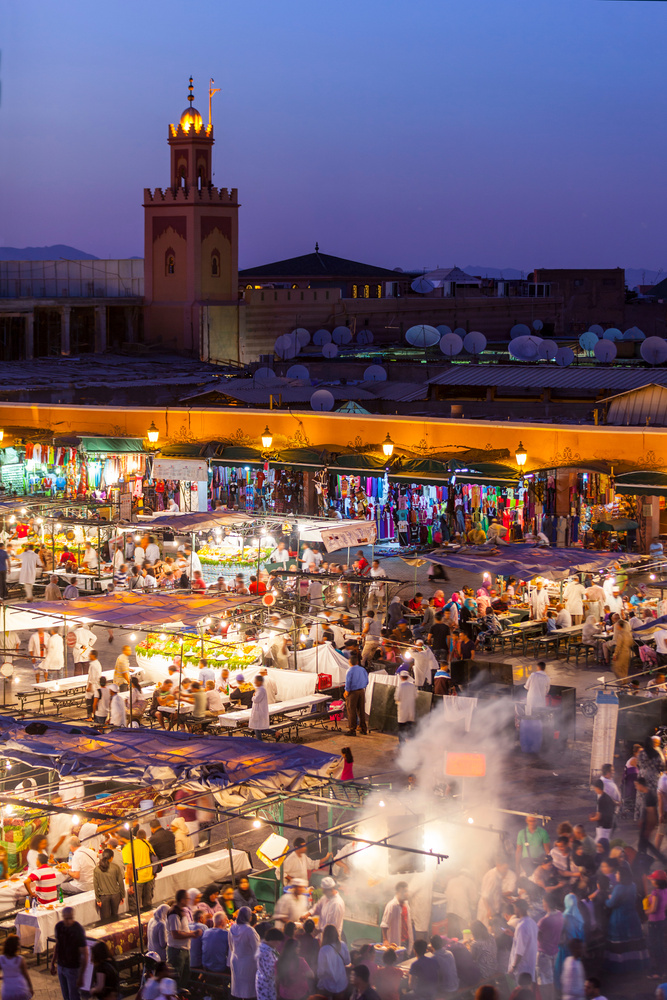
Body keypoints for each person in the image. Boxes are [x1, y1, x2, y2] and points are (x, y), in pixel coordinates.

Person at [605, 863, 648, 973]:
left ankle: (621, 967)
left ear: (622, 875)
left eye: (617, 874)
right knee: (633, 942)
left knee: (621, 943)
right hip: (632, 917)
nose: (616, 875)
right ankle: (635, 965)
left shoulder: (619, 888)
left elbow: (611, 904)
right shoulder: (633, 885)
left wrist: (607, 899)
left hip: (619, 918)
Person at [167, 889, 201, 987]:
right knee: (176, 980)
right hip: (177, 951)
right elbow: (175, 934)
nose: (189, 900)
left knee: (184, 978)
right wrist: (191, 935)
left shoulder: (181, 911)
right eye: (187, 898)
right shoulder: (174, 913)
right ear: (182, 900)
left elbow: (184, 930)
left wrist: (193, 932)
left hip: (184, 950)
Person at [51, 907, 87, 1000]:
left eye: (70, 918)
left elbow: (85, 953)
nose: (68, 921)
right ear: (63, 917)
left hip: (73, 968)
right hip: (61, 966)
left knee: (74, 996)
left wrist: (82, 975)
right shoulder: (59, 927)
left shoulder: (78, 930)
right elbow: (57, 945)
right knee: (65, 995)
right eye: (66, 918)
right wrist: (53, 962)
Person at [537, 892, 564, 1000]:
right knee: (551, 979)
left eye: (543, 902)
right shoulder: (559, 914)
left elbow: (537, 936)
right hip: (554, 951)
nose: (542, 904)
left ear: (547, 903)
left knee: (544, 982)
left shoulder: (544, 921)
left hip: (544, 953)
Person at [229, 907, 260, 1000]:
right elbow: (257, 949)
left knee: (238, 988)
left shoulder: (232, 927)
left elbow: (230, 945)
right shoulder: (250, 931)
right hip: (249, 963)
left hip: (235, 960)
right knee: (248, 990)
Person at [122, 830, 156, 912]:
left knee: (135, 907)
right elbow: (153, 858)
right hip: (149, 877)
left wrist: (130, 885)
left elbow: (129, 868)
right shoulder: (146, 843)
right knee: (148, 904)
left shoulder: (127, 848)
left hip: (137, 880)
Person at [317, 924, 350, 998]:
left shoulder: (324, 949)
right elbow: (347, 962)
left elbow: (321, 972)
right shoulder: (343, 945)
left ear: (325, 936)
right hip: (342, 983)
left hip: (328, 984)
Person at [508, 898, 538, 980]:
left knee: (522, 990)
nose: (514, 911)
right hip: (530, 964)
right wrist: (514, 935)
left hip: (522, 968)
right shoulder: (532, 922)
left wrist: (513, 967)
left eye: (515, 908)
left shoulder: (522, 926)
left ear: (519, 908)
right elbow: (527, 940)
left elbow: (519, 951)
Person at [92, 848, 124, 923]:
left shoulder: (97, 869)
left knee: (105, 919)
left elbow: (95, 885)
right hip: (116, 895)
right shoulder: (116, 867)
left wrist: (98, 899)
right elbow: (120, 882)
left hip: (103, 896)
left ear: (102, 856)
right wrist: (122, 895)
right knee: (115, 916)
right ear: (112, 857)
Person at [381, 881, 413, 953]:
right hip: (396, 942)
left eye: (407, 891)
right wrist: (385, 940)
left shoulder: (406, 905)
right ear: (399, 892)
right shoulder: (392, 905)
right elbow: (384, 924)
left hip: (406, 940)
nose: (407, 894)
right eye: (405, 891)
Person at [0, 935, 33, 1000]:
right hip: (21, 990)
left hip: (7, 992)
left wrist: (6, 976)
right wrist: (30, 987)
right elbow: (26, 976)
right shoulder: (20, 959)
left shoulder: (1, 959)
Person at [344, 653, 368, 736]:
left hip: (353, 692)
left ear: (349, 662)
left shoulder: (349, 671)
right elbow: (367, 680)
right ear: (357, 662)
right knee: (361, 710)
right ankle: (363, 728)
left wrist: (346, 691)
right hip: (361, 691)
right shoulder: (362, 670)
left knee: (351, 710)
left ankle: (352, 729)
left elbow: (348, 682)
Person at [255, 927, 282, 1000]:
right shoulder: (266, 952)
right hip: (266, 986)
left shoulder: (269, 948)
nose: (279, 943)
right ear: (273, 940)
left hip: (266, 984)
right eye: (278, 941)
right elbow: (271, 972)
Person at [394, 669, 417, 740]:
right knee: (410, 727)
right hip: (410, 709)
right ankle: (411, 742)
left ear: (401, 677)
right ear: (407, 677)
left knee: (402, 728)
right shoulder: (412, 686)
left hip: (402, 709)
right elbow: (416, 695)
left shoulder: (401, 686)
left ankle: (402, 743)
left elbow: (397, 697)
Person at [249, 674, 270, 740]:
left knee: (258, 727)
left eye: (256, 681)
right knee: (259, 727)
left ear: (260, 682)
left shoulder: (261, 690)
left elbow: (256, 699)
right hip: (259, 711)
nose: (255, 682)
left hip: (259, 712)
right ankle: (275, 733)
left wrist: (253, 696)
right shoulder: (260, 689)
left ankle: (260, 741)